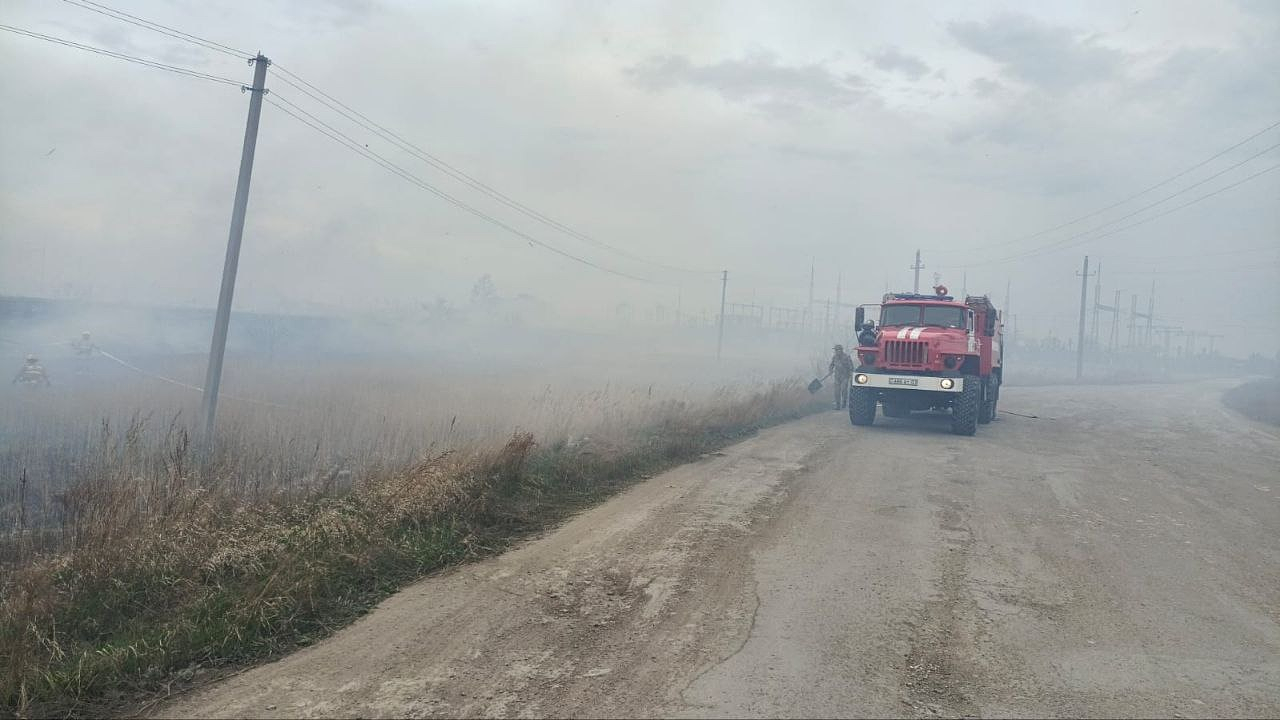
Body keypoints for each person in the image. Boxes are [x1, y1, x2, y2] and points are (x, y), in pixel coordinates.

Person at [828, 344, 854, 410]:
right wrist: (830, 370)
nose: (836, 351)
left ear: (841, 350)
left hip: (845, 376)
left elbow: (851, 366)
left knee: (844, 390)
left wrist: (851, 374)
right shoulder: (834, 357)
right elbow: (831, 365)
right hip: (837, 377)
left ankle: (844, 403)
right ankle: (838, 405)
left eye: (837, 350)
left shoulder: (847, 357)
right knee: (836, 391)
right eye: (836, 350)